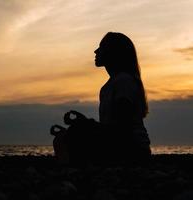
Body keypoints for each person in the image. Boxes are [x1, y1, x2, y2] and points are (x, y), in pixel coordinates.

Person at [50, 32, 151, 165]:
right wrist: (84, 123)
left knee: (70, 136)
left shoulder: (123, 82)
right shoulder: (109, 86)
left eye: (101, 47)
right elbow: (111, 129)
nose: (96, 51)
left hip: (132, 149)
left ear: (114, 53)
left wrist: (85, 125)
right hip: (123, 145)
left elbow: (122, 128)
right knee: (66, 136)